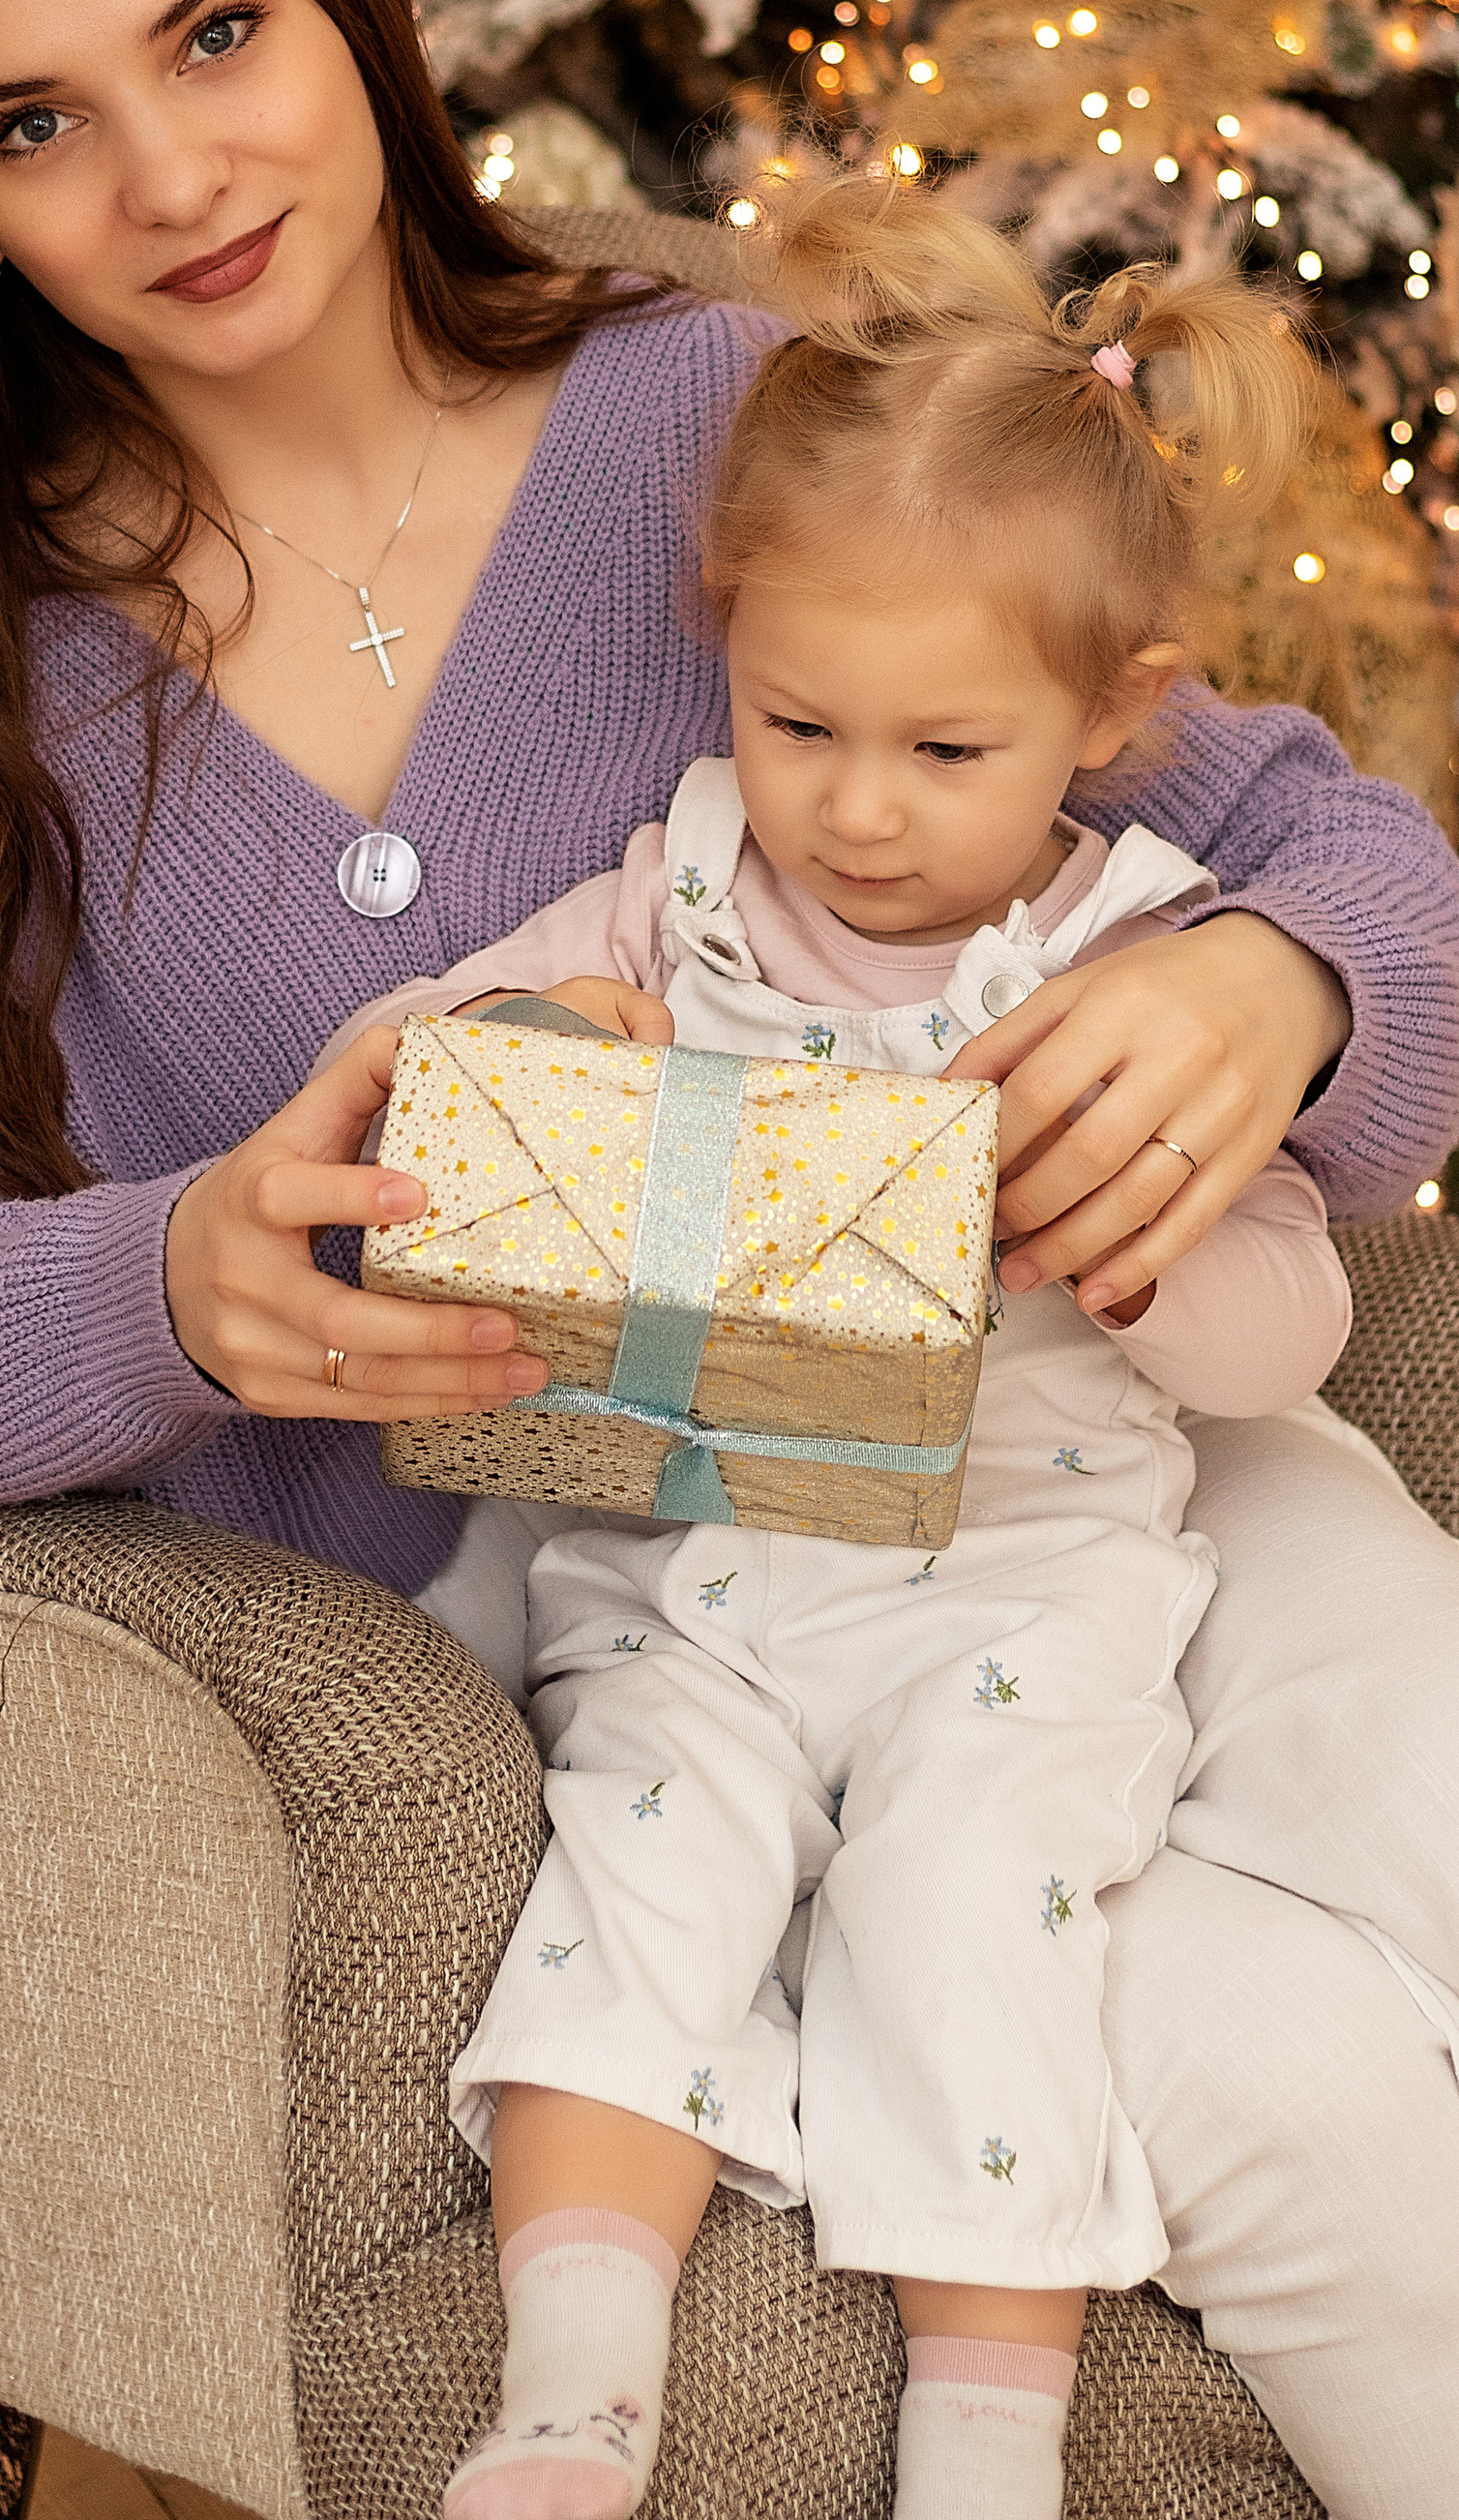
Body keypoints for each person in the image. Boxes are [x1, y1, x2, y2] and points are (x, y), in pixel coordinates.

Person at [0, 0, 1459, 2520]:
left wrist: (1278, 990)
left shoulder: (703, 406)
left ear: (349, 11)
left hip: (1099, 1464)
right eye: (34, 123)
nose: (176, 176)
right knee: (1306, 2118)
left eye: (219, 37)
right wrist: (169, 1279)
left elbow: (1308, 831)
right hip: (650, 1618)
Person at [336, 182, 1353, 2520]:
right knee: (635, 1861)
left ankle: (979, 2458)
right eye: (796, 718)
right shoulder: (677, 890)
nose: (856, 810)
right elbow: (411, 1057)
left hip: (1010, 1580)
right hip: (694, 1553)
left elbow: (1290, 1311)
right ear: (729, 661)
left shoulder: (1130, 957)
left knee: (968, 1912)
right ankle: (572, 2395)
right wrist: (520, 1034)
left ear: (1107, 722)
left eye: (943, 749)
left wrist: (1131, 1248)